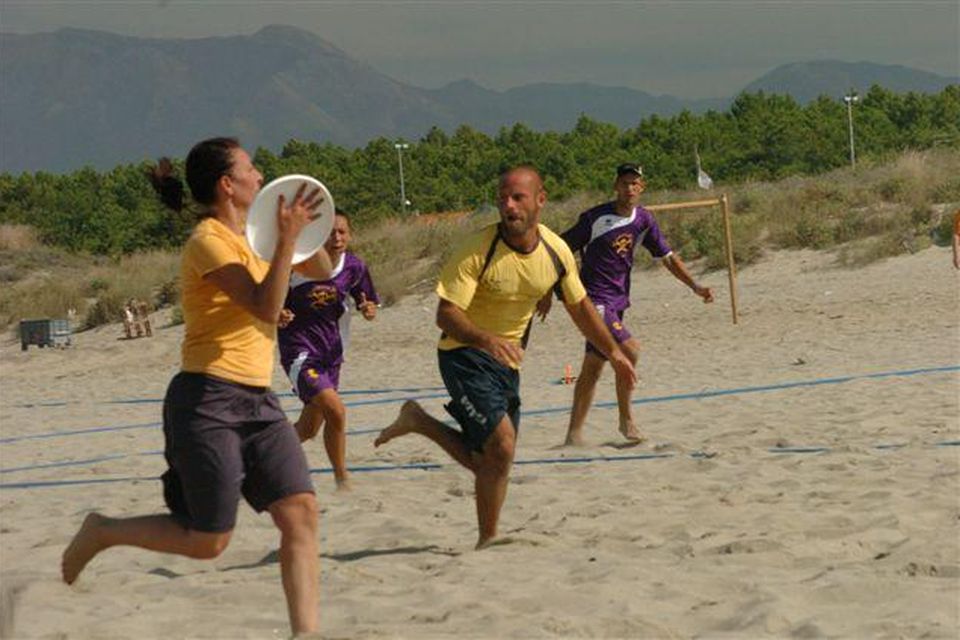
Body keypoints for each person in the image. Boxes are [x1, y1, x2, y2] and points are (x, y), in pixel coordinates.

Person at [61, 137, 332, 637]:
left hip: (259, 398)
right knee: (209, 540)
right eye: (251, 169)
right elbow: (267, 308)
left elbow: (324, 269)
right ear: (228, 185)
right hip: (208, 399)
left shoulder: (260, 236)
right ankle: (102, 531)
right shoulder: (208, 240)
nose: (260, 175)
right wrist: (288, 240)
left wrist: (309, 229)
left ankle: (305, 633)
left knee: (301, 514)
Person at [374, 166, 637, 549]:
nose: (508, 206)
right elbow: (445, 315)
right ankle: (486, 529)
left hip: (507, 363)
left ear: (540, 200)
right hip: (463, 355)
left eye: (518, 198)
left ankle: (485, 536)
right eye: (503, 198)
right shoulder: (477, 250)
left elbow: (581, 309)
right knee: (503, 445)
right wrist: (485, 339)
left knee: (493, 461)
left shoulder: (556, 251)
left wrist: (614, 354)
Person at [542, 163, 713, 447]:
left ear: (642, 187)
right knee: (630, 350)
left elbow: (668, 257)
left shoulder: (644, 220)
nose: (629, 188)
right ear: (615, 186)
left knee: (593, 368)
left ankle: (573, 436)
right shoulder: (595, 218)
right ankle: (626, 419)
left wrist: (695, 286)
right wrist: (547, 290)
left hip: (618, 300)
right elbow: (558, 250)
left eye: (635, 183)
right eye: (624, 183)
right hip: (592, 300)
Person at [278, 209, 380, 490]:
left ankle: (260, 450)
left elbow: (367, 302)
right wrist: (279, 312)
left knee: (309, 429)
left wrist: (368, 309)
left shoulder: (355, 267)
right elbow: (271, 300)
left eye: (342, 232)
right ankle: (342, 479)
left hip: (332, 353)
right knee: (336, 410)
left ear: (350, 234)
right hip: (299, 350)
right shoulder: (296, 264)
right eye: (330, 232)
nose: (336, 238)